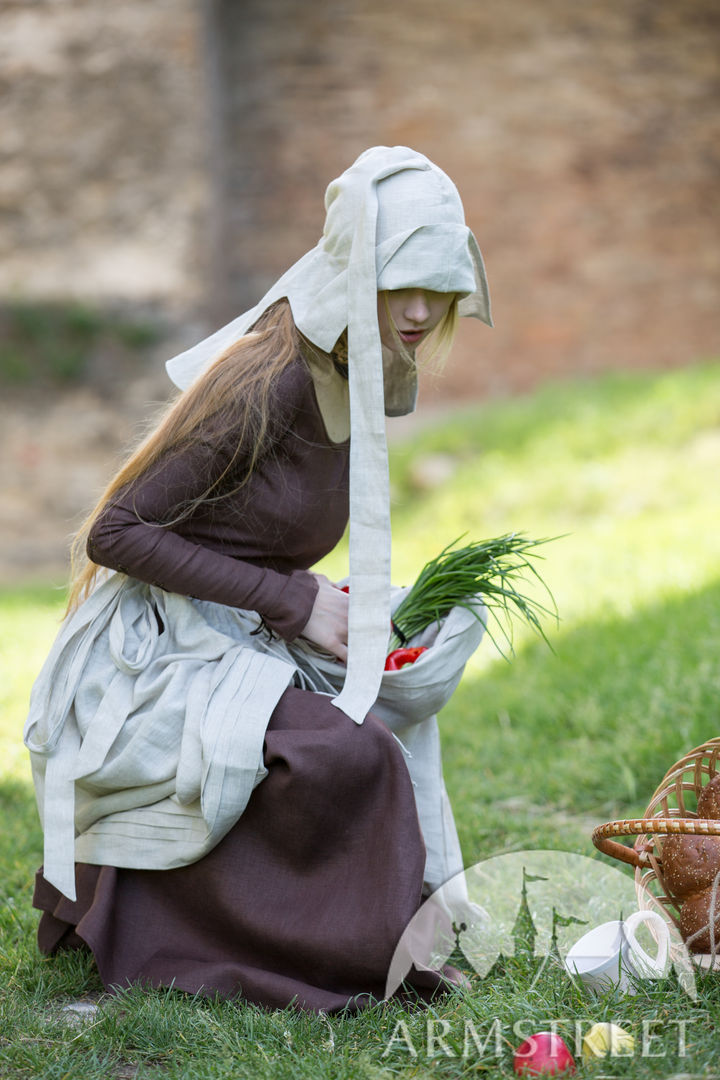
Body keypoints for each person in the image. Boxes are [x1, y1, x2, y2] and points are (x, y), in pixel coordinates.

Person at [24, 146, 492, 1012]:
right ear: (359, 269)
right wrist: (296, 602)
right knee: (346, 755)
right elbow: (116, 532)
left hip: (243, 621)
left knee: (385, 717)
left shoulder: (368, 353)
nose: (423, 312)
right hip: (156, 646)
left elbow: (264, 535)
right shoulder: (269, 374)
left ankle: (349, 934)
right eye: (401, 284)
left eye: (439, 284)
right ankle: (267, 951)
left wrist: (338, 600)